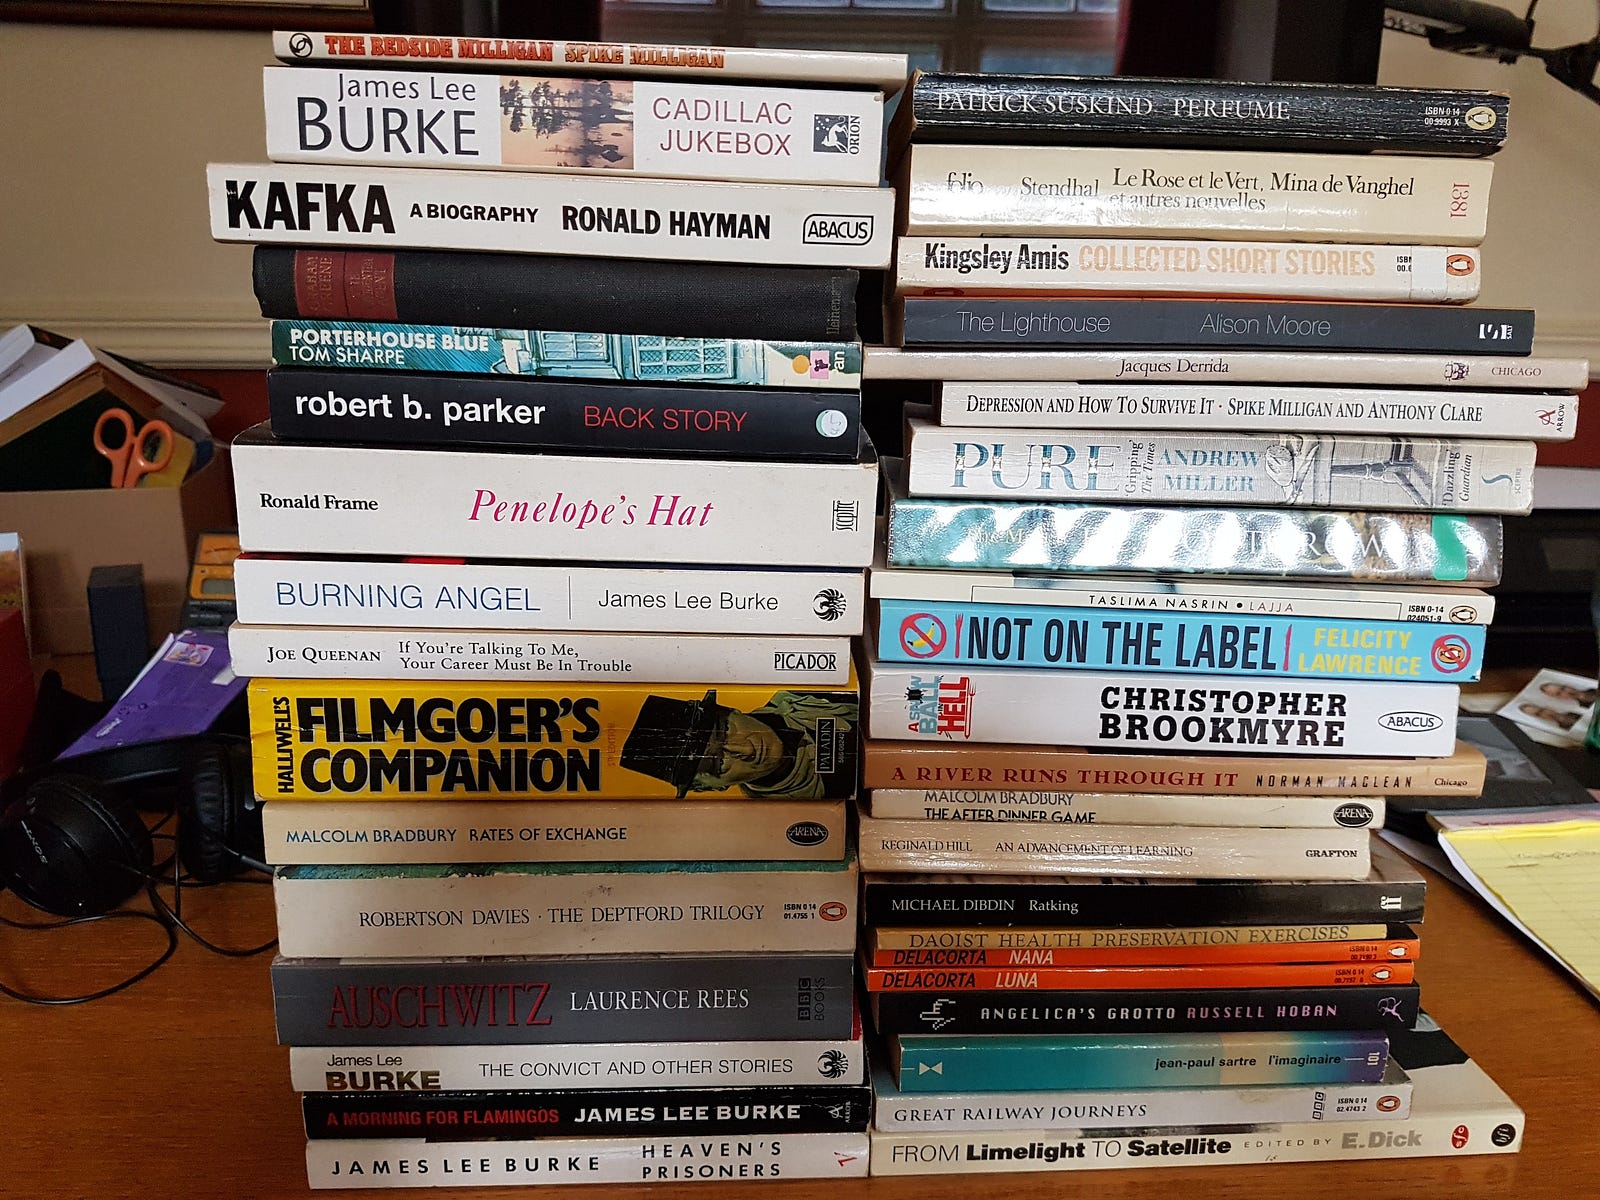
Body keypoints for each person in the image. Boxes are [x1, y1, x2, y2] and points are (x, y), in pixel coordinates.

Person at [619, 689, 856, 799]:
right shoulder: (776, 820)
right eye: (719, 763)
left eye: (725, 730)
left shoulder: (805, 691)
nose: (746, 750)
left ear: (731, 710)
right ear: (714, 788)